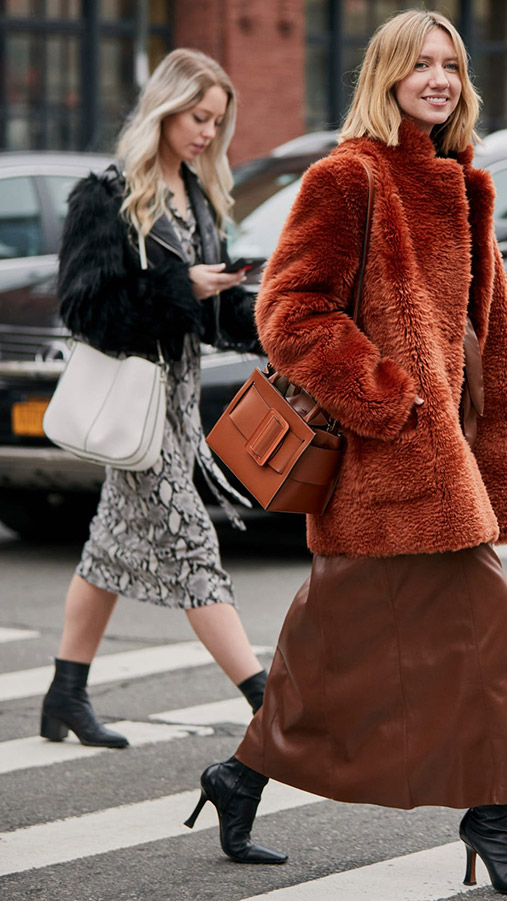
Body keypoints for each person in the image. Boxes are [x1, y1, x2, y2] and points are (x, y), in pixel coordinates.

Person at [185, 11, 507, 896]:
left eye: (452, 65)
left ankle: (238, 777)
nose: (439, 78)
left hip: (445, 461)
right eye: (421, 63)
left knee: (331, 654)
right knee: (496, 642)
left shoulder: (463, 182)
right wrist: (389, 397)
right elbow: (288, 311)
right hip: (386, 462)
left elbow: (486, 338)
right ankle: (493, 818)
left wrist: (489, 435)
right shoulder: (348, 176)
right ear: (387, 73)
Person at [40, 49, 268, 751]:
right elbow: (84, 310)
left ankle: (64, 695)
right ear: (165, 110)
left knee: (109, 550)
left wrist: (276, 328)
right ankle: (272, 707)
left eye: (216, 121)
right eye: (198, 117)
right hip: (136, 406)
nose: (207, 132)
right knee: (194, 549)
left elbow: (208, 313)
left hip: (175, 406)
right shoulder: (105, 196)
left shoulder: (196, 196)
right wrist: (179, 290)